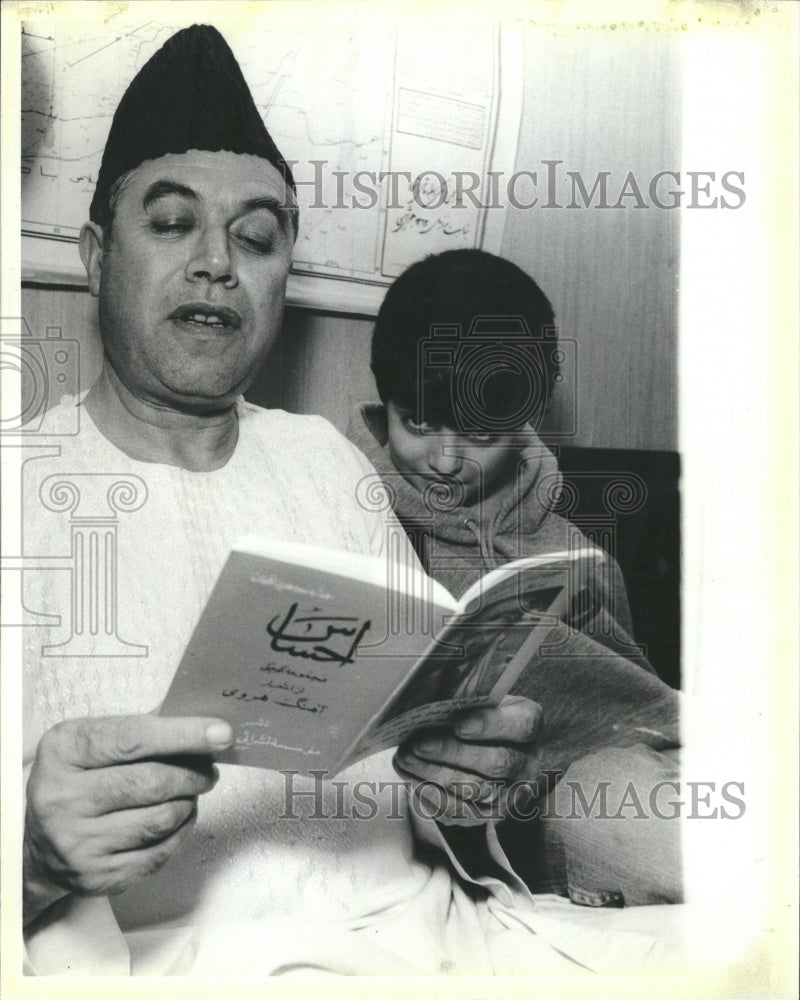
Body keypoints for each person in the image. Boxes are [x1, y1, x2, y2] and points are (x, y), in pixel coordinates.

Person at [20, 25, 687, 978]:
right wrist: (32, 862)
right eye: (172, 224)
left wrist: (460, 784)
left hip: (441, 942)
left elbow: (410, 756)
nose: (218, 262)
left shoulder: (328, 462)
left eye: (256, 237)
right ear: (93, 256)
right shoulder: (18, 486)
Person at [347, 248, 682, 902]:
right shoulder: (337, 497)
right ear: (385, 402)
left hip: (574, 787)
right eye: (418, 421)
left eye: (477, 433)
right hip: (406, 807)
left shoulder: (569, 551)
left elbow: (635, 705)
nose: (444, 460)